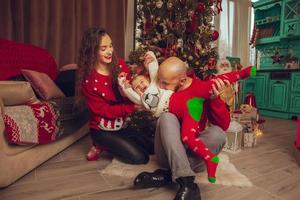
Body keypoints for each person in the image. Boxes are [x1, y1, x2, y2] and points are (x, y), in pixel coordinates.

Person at [133, 57, 256, 200]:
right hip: (167, 152)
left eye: (165, 83)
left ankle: (169, 175)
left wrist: (215, 99)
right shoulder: (163, 85)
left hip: (192, 151)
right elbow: (145, 85)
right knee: (167, 117)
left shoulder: (201, 89)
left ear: (183, 81)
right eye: (160, 81)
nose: (161, 86)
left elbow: (223, 125)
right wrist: (150, 63)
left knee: (218, 134)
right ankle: (187, 182)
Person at [76, 27, 152, 164]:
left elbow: (130, 93)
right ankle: (100, 145)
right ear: (92, 51)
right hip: (102, 130)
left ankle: (119, 142)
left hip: (121, 126)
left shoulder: (121, 65)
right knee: (140, 158)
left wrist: (126, 91)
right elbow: (103, 111)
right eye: (103, 48)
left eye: (111, 46)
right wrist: (131, 107)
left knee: (152, 148)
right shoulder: (88, 80)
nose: (110, 51)